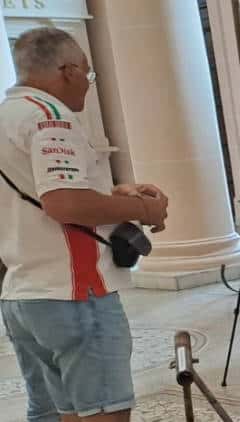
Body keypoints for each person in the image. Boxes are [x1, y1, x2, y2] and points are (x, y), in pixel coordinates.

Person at [0, 28, 169, 422]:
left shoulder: (7, 116)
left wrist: (111, 194)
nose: (89, 85)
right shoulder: (50, 119)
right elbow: (65, 204)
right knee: (104, 413)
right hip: (73, 293)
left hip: (26, 294)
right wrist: (144, 210)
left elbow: (37, 197)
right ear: (69, 71)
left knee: (69, 413)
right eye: (89, 74)